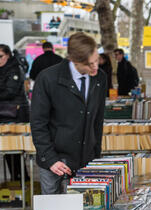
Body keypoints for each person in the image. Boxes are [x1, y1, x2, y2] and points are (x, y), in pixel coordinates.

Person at [31, 32, 107, 195]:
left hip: (86, 159)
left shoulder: (100, 78)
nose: (95, 67)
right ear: (74, 61)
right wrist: (50, 159)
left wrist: (96, 155)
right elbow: (38, 123)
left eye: (96, 61)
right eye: (89, 64)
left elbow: (97, 120)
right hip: (54, 159)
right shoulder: (47, 79)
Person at [0, 44, 30, 180]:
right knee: (7, 149)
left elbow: (10, 91)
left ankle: (22, 179)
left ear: (8, 55)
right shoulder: (4, 69)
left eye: (0, 56)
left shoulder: (15, 68)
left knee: (16, 149)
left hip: (16, 113)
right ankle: (15, 179)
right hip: (5, 114)